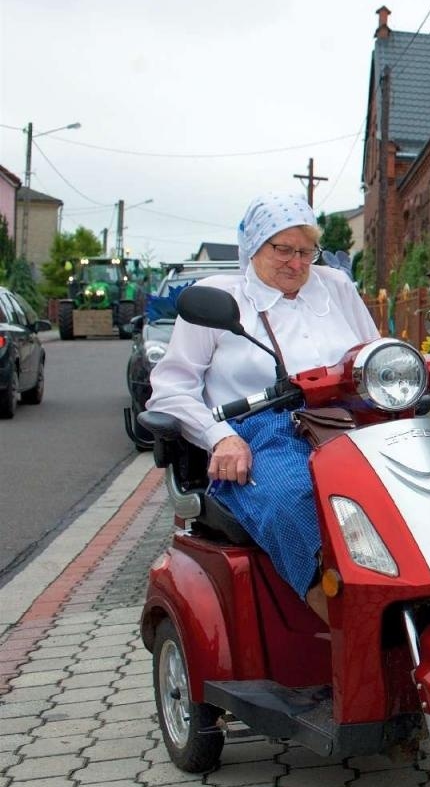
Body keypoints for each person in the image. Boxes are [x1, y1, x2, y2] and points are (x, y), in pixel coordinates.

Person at [147, 191, 381, 621]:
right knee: (297, 500)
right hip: (259, 435)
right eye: (283, 250)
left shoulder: (335, 286)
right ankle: (353, 632)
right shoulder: (220, 298)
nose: (297, 263)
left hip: (349, 425)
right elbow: (169, 389)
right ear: (254, 246)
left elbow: (372, 356)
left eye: (307, 251)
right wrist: (221, 438)